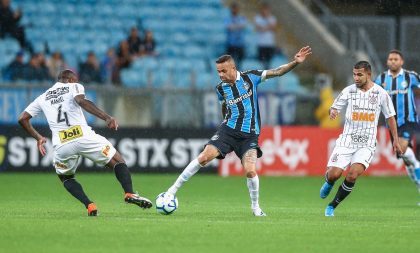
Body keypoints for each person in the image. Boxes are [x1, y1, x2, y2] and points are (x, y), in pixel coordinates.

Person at [166, 46, 312, 216]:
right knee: (204, 157)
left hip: (249, 134)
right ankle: (171, 191)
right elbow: (224, 104)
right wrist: (224, 121)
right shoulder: (221, 88)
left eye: (223, 71)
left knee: (250, 170)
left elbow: (277, 71)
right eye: (218, 72)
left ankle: (255, 207)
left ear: (233, 68)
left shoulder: (251, 77)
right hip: (228, 130)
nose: (220, 75)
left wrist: (295, 62)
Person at [18, 69, 152, 216]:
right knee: (117, 160)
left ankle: (89, 205)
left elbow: (22, 118)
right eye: (75, 79)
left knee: (66, 177)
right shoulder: (74, 86)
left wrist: (38, 137)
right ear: (70, 79)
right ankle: (129, 193)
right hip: (83, 136)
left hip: (62, 144)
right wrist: (106, 117)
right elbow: (81, 101)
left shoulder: (42, 98)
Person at [319, 61, 402, 217]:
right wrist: (333, 112)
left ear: (368, 75)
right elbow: (334, 106)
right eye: (354, 74)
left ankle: (332, 206)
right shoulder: (349, 91)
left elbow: (390, 117)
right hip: (347, 141)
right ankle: (329, 182)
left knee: (352, 175)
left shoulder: (381, 94)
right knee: (334, 174)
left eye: (359, 75)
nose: (356, 78)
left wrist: (395, 140)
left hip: (367, 144)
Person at [374, 50, 420, 204]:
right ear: (387, 62)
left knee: (402, 148)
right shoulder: (380, 79)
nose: (393, 61)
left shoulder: (410, 76)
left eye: (396, 59)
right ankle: (418, 180)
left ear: (402, 62)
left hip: (408, 120)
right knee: (406, 159)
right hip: (392, 123)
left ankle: (418, 169)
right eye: (390, 59)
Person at [254, 3, 277, 69]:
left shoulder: (272, 18)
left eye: (266, 10)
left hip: (270, 44)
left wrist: (265, 26)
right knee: (261, 62)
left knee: (269, 61)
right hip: (261, 43)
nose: (265, 12)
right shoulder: (257, 18)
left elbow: (273, 27)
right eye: (264, 10)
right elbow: (259, 28)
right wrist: (267, 27)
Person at [224, 2, 247, 68]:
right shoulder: (227, 18)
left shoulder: (242, 18)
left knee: (240, 62)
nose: (234, 10)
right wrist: (237, 27)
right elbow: (229, 27)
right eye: (233, 8)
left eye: (236, 8)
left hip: (240, 44)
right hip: (231, 43)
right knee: (230, 62)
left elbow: (242, 26)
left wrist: (234, 27)